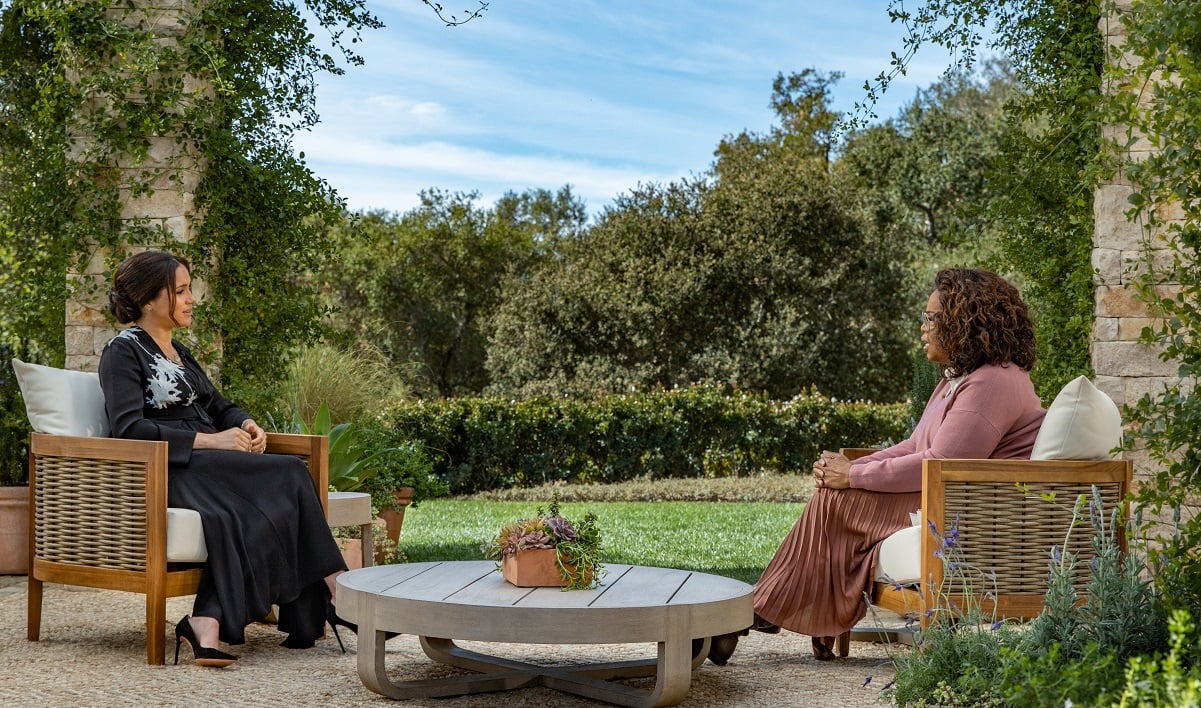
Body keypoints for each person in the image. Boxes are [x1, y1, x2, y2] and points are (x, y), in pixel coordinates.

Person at [708, 267, 1046, 665]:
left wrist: (852, 475)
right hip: (942, 496)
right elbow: (915, 445)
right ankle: (760, 610)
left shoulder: (994, 381)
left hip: (964, 511)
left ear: (963, 322)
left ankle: (757, 609)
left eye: (931, 318)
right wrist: (850, 466)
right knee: (833, 495)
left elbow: (939, 463)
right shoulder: (959, 379)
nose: (923, 328)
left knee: (835, 502)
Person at [99, 250, 350, 667]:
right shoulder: (122, 352)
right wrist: (212, 442)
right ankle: (339, 593)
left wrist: (248, 423)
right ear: (148, 300)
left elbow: (219, 405)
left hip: (208, 462)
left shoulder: (181, 352)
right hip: (171, 467)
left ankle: (206, 622)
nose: (190, 299)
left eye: (188, 289)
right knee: (289, 472)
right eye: (180, 291)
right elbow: (128, 429)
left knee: (246, 514)